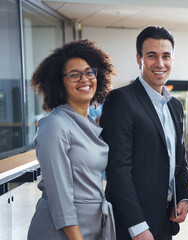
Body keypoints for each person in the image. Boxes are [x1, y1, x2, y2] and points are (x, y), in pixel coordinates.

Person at [100, 26, 188, 240]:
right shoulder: (121, 100)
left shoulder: (175, 106)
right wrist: (137, 225)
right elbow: (118, 169)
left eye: (166, 56)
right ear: (139, 59)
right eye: (152, 56)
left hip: (165, 221)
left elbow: (180, 160)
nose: (160, 63)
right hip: (132, 226)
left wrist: (184, 197)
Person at [27, 39, 116, 239]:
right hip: (62, 231)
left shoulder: (90, 124)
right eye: (74, 75)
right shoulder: (55, 124)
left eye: (89, 72)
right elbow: (60, 195)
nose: (84, 79)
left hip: (91, 227)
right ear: (60, 82)